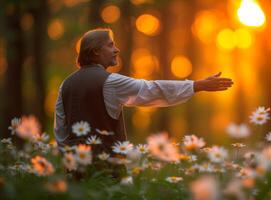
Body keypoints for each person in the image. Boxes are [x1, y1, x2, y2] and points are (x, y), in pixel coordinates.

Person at [54, 28, 233, 156]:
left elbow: (61, 132)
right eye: (110, 45)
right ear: (95, 51)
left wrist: (70, 166)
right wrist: (197, 85)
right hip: (108, 171)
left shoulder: (65, 85)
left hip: (76, 173)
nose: (116, 49)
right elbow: (152, 89)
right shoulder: (110, 81)